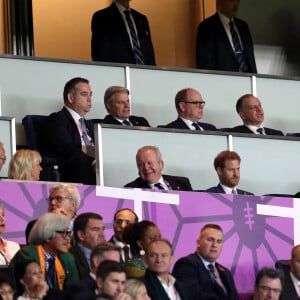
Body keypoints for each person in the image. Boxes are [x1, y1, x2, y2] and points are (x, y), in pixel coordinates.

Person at [43, 77, 96, 185]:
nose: (89, 99)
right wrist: (93, 161)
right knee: (80, 161)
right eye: (84, 94)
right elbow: (66, 148)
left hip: (93, 164)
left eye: (90, 95)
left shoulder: (91, 125)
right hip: (72, 166)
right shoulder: (57, 119)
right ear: (71, 97)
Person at [9, 213, 79, 291]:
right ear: (48, 236)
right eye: (63, 233)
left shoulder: (68, 258)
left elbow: (74, 291)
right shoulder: (27, 254)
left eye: (68, 234)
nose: (68, 239)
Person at [172, 223, 239, 300]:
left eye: (219, 241)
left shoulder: (225, 272)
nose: (214, 245)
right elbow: (193, 296)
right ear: (198, 242)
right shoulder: (186, 264)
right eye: (210, 240)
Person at [196, 0, 257, 73]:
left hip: (248, 79)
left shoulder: (243, 26)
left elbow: (251, 59)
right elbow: (205, 63)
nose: (235, 4)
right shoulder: (207, 27)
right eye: (231, 0)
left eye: (238, 1)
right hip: (223, 81)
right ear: (219, 2)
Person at [91, 0, 156, 65]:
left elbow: (150, 54)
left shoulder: (141, 18)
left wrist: (153, 73)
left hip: (144, 72)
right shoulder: (102, 17)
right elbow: (100, 55)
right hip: (118, 73)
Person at [124, 145, 193, 191]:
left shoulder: (183, 183)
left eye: (149, 163)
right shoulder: (130, 189)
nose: (146, 168)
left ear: (161, 164)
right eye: (141, 165)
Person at [69, 212, 106, 279]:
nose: (102, 234)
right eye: (95, 229)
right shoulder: (70, 258)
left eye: (103, 229)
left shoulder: (108, 255)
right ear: (81, 235)